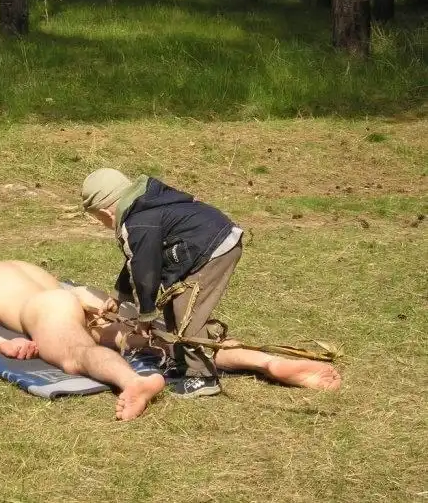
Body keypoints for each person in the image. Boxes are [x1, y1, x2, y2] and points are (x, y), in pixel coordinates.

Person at [81, 168, 341, 397]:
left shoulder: (137, 222)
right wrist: (119, 297)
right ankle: (187, 364)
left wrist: (146, 316)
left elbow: (145, 269)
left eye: (99, 220)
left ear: (105, 212)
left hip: (209, 250)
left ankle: (202, 378)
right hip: (207, 243)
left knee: (187, 316)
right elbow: (137, 261)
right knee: (175, 305)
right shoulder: (144, 206)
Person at [0, 247, 166, 421]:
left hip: (45, 308)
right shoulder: (5, 264)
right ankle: (190, 350)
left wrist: (0, 344)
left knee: (76, 355)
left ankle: (133, 382)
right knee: (146, 336)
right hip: (76, 299)